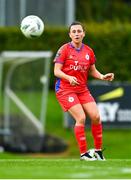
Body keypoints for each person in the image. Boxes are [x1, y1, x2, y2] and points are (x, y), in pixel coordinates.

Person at [53, 21, 114, 161]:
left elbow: (92, 71)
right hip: (65, 89)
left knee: (96, 116)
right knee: (81, 118)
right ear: (69, 34)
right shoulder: (64, 49)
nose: (76, 34)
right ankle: (84, 154)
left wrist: (102, 76)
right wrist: (68, 78)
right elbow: (56, 71)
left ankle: (98, 152)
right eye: (73, 31)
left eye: (79, 31)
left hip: (81, 89)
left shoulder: (88, 51)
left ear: (84, 33)